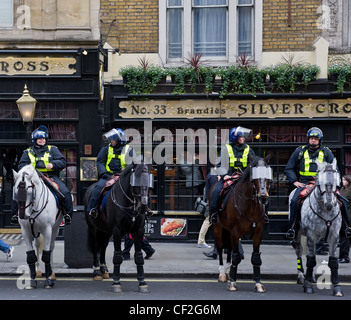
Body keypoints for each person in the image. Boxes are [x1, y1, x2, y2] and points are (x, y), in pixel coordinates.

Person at [284, 127, 351, 239]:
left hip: (324, 184)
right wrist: (295, 181)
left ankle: (346, 228)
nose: (313, 140)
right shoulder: (299, 151)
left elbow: (336, 169)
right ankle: (293, 228)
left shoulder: (326, 151)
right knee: (295, 200)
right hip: (305, 183)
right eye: (311, 138)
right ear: (308, 139)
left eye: (316, 138)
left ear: (320, 140)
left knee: (343, 200)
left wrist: (335, 184)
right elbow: (289, 168)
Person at [11, 125, 73, 225]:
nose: (42, 141)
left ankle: (67, 214)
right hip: (32, 178)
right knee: (18, 190)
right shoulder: (27, 152)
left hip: (50, 176)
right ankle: (15, 214)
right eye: (39, 139)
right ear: (35, 140)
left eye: (43, 139)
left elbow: (62, 162)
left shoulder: (52, 149)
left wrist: (53, 165)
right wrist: (30, 170)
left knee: (65, 192)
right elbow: (21, 165)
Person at [87, 128, 152, 217]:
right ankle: (92, 209)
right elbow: (100, 162)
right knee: (97, 189)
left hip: (124, 177)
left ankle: (146, 209)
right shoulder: (106, 149)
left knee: (141, 188)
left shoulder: (129, 150)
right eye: (112, 139)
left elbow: (134, 163)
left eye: (114, 139)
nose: (112, 141)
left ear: (119, 140)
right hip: (108, 176)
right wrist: (104, 173)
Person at [209, 127, 255, 223]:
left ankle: (264, 215)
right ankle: (213, 214)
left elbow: (253, 164)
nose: (243, 138)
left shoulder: (248, 149)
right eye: (241, 137)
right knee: (216, 192)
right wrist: (224, 175)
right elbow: (219, 165)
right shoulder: (226, 148)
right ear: (235, 138)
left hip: (244, 177)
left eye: (243, 137)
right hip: (229, 177)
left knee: (260, 192)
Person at [339, 175, 351, 263]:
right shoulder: (342, 189)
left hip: (349, 215)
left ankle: (345, 256)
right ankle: (342, 256)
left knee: (345, 236)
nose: (342, 181)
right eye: (342, 179)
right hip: (342, 215)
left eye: (344, 180)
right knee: (343, 236)